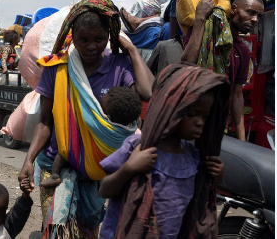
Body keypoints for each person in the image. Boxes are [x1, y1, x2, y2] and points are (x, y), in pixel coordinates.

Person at [18, 0, 154, 238]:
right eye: (83, 40)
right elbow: (46, 122)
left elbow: (146, 92)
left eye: (99, 39)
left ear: (109, 37)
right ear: (72, 36)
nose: (91, 46)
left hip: (99, 168)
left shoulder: (120, 65)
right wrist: (28, 159)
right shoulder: (57, 67)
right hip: (53, 164)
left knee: (88, 230)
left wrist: (132, 50)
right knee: (57, 231)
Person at [98, 63, 229, 238]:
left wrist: (217, 176)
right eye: (192, 114)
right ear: (170, 111)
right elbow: (105, 190)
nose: (200, 122)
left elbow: (200, 195)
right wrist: (129, 168)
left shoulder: (192, 157)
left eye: (204, 116)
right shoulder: (137, 147)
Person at [182, 0, 264, 141]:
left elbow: (237, 95)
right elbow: (186, 64)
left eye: (258, 16)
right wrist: (200, 17)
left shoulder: (243, 50)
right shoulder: (207, 32)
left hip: (216, 125)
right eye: (251, 13)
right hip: (189, 118)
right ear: (233, 9)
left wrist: (242, 141)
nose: (255, 20)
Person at [40, 86, 142, 188]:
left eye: (101, 107)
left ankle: (54, 175)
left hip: (88, 161)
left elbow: (85, 121)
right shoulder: (132, 125)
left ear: (109, 115)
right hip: (103, 169)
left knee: (65, 147)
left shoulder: (102, 126)